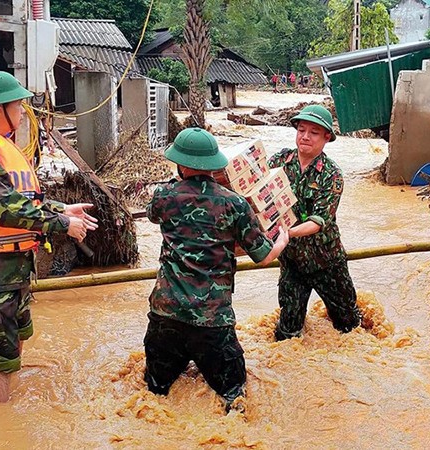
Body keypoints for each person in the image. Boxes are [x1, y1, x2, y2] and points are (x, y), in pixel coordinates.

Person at [0, 71, 99, 402]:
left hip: (13, 263)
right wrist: (60, 224)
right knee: (0, 356)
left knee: (17, 337)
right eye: (17, 104)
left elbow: (23, 199)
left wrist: (62, 209)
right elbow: (2, 208)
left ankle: (10, 398)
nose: (22, 110)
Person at [144, 127, 289, 413]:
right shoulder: (235, 204)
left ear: (180, 163)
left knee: (155, 393)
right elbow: (262, 256)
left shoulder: (163, 196)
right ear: (214, 164)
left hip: (166, 316)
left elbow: (154, 217)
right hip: (213, 322)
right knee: (234, 396)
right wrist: (282, 240)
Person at [268, 104, 362, 341]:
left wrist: (286, 233)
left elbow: (319, 221)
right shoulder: (280, 161)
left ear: (326, 137)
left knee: (349, 327)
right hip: (291, 262)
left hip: (326, 261)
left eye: (314, 132)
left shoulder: (331, 174)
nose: (305, 137)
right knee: (287, 333)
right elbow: (256, 190)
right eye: (301, 130)